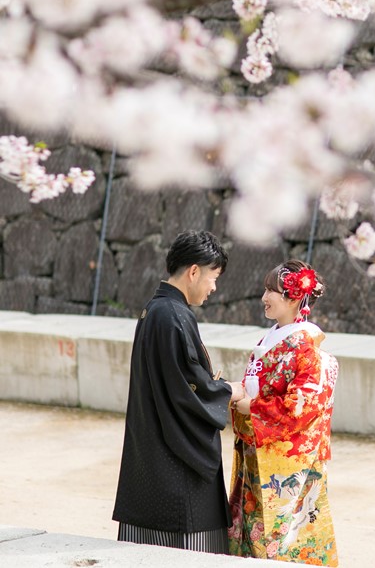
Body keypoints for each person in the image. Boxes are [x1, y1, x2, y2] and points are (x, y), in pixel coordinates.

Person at [113, 230, 244, 553]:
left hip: (152, 450)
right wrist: (228, 390)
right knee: (186, 548)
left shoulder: (155, 310)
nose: (214, 287)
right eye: (213, 277)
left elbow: (179, 377)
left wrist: (210, 385)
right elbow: (188, 385)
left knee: (147, 551)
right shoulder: (173, 315)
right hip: (174, 460)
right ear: (194, 271)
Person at [228, 259, 339, 566]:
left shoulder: (305, 346)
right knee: (253, 528)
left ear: (292, 297)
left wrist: (253, 406)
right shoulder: (272, 338)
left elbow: (302, 406)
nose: (264, 297)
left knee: (287, 534)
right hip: (258, 449)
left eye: (271, 291)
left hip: (286, 460)